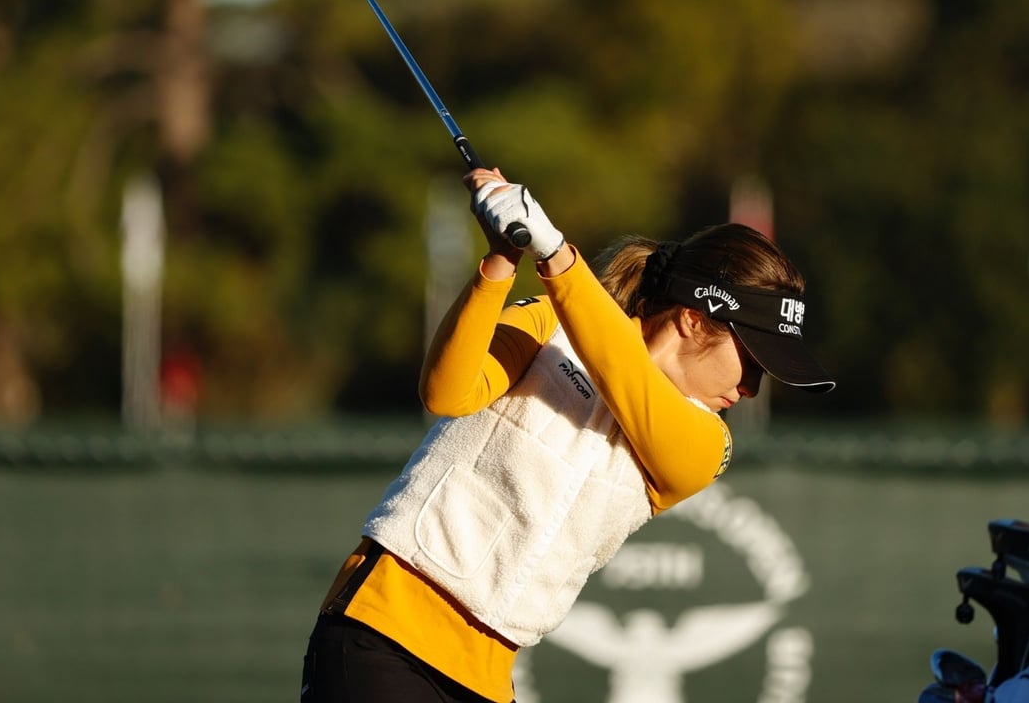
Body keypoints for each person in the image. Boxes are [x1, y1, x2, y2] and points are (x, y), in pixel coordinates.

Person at [299, 167, 835, 702]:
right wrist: (502, 258)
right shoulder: (546, 325)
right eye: (753, 361)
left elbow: (626, 377)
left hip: (485, 676)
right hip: (382, 629)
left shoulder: (706, 443)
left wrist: (557, 254)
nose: (751, 389)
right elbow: (447, 393)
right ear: (694, 320)